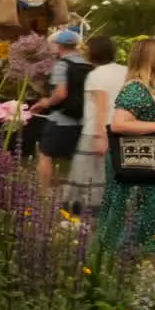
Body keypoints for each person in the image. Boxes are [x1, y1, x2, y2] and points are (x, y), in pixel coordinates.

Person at [98, 38, 155, 267]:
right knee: (139, 226)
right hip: (140, 172)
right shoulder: (136, 89)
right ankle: (133, 282)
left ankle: (146, 283)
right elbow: (119, 124)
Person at [63, 36, 128, 214]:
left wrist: (100, 136)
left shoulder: (95, 75)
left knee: (87, 173)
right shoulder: (126, 71)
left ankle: (85, 212)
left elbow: (101, 107)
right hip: (122, 129)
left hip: (96, 131)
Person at [31, 30, 91, 189]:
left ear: (58, 46)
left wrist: (45, 103)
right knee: (78, 158)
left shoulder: (62, 65)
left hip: (61, 119)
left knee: (45, 154)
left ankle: (43, 193)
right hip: (84, 120)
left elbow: (60, 93)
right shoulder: (88, 65)